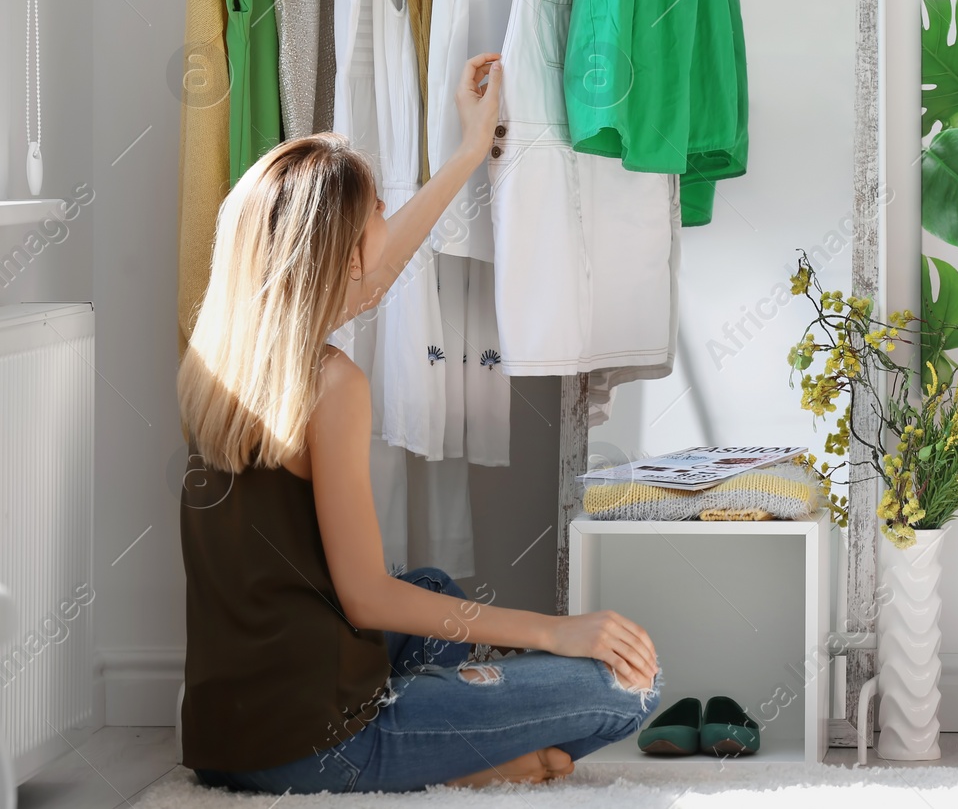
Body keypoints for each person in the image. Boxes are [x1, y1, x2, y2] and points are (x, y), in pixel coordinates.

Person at [175, 53, 660, 794]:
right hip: (321, 738)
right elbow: (367, 597)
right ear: (339, 260)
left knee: (428, 584)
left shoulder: (218, 361)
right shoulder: (331, 385)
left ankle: (457, 731)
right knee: (624, 687)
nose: (382, 245)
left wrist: (468, 151)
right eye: (372, 226)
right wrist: (556, 629)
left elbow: (368, 276)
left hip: (228, 733)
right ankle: (462, 758)